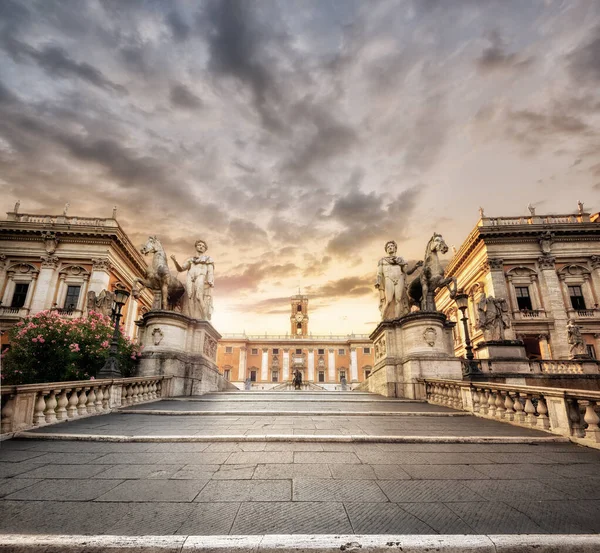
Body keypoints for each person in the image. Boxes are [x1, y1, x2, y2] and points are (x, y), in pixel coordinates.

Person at [375, 240, 422, 320]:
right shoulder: (382, 261)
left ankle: (397, 319)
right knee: (389, 300)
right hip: (388, 279)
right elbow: (379, 273)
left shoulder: (401, 260)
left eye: (391, 246)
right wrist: (378, 282)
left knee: (398, 300)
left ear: (395, 249)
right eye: (388, 247)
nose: (390, 248)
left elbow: (406, 271)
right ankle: (383, 318)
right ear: (386, 250)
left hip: (399, 279)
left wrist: (415, 267)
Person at [171, 239, 214, 320]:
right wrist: (175, 261)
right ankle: (190, 318)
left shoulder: (208, 259)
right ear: (196, 246)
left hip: (200, 276)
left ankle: (205, 317)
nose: (201, 247)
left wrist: (210, 281)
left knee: (198, 296)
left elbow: (210, 271)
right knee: (189, 297)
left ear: (205, 249)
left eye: (203, 246)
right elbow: (180, 269)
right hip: (190, 277)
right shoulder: (190, 260)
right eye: (199, 245)